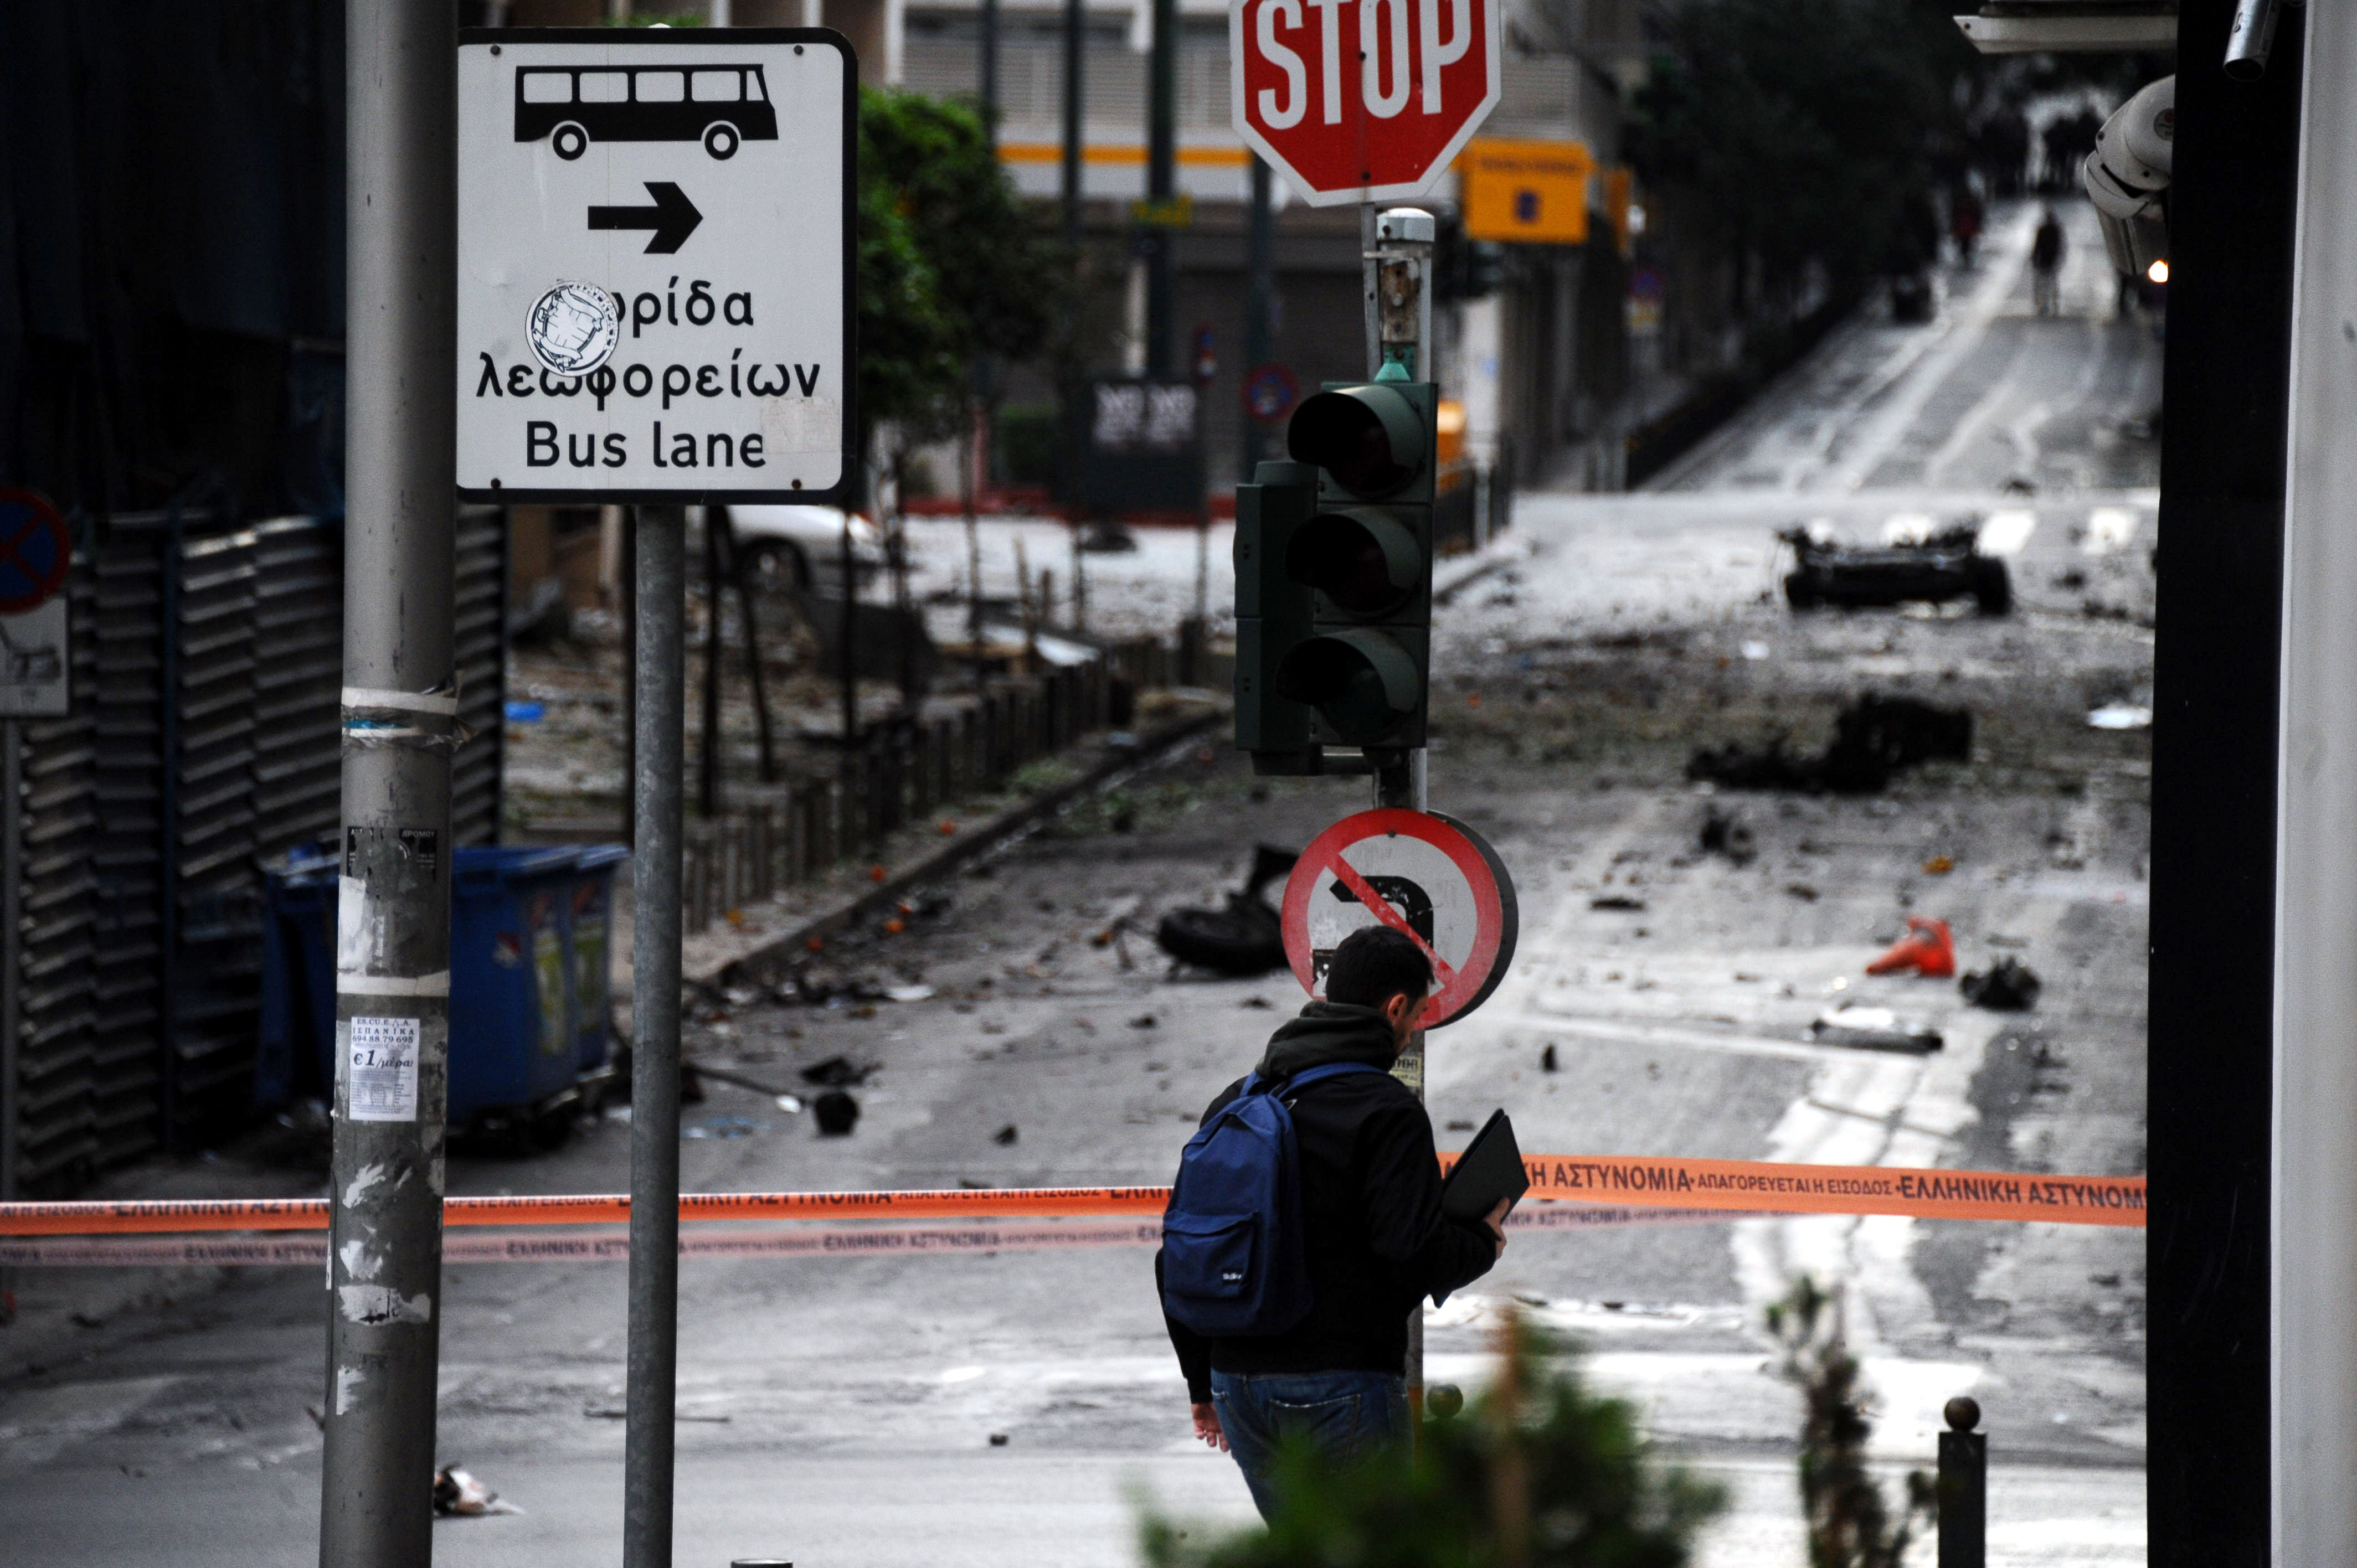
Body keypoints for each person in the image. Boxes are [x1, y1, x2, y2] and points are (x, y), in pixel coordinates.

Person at [1157, 926, 1509, 1518]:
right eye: (1417, 1014)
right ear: (1396, 1007)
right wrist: (1480, 1242)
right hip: (1337, 1381)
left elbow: (1181, 1255)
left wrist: (1201, 1384)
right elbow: (1408, 1250)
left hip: (1235, 1383)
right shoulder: (1385, 1109)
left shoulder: (1238, 1101)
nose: (1413, 1029)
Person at [2031, 207, 2067, 316]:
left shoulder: (2042, 230)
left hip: (2044, 259)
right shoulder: (2056, 230)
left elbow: (2037, 245)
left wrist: (2034, 258)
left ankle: (2043, 305)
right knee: (2052, 283)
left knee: (2043, 284)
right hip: (2051, 259)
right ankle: (2053, 304)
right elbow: (2060, 245)